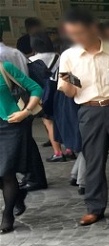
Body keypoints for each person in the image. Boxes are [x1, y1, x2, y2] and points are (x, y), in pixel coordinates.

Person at [57, 8, 109, 226]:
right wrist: (66, 86)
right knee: (93, 160)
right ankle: (94, 207)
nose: (76, 38)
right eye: (72, 34)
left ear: (92, 28)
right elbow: (70, 92)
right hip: (89, 111)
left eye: (80, 32)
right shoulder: (69, 57)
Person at [0, 54, 42, 233]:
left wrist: (26, 112)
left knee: (6, 172)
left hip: (10, 125)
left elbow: (36, 88)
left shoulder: (5, 68)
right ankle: (17, 196)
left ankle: (7, 215)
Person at [28, 32, 72, 163]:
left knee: (49, 122)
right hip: (60, 92)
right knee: (63, 120)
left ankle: (58, 152)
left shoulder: (31, 61)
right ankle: (69, 149)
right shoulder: (59, 57)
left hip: (44, 95)